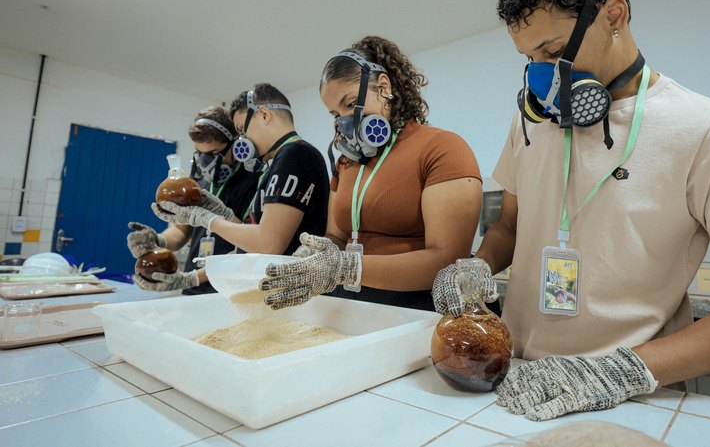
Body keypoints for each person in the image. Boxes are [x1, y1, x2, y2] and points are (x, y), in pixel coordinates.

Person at [431, 0, 710, 422]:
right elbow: (511, 226)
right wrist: (480, 265)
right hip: (519, 384)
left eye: (552, 51)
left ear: (614, 14)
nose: (541, 75)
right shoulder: (530, 122)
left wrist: (615, 372)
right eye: (529, 59)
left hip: (634, 401)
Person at [257, 36, 483, 311]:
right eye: (334, 113)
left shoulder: (442, 148)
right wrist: (313, 258)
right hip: (350, 309)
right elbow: (336, 236)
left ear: (383, 87)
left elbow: (447, 259)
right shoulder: (347, 163)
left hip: (414, 314)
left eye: (350, 104)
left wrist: (347, 268)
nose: (342, 121)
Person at [152, 83, 329, 257]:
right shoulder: (281, 160)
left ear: (264, 115)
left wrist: (207, 219)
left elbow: (268, 244)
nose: (242, 140)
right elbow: (256, 234)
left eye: (242, 130)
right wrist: (222, 213)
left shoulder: (294, 154)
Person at [127, 106, 259, 294]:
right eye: (200, 153)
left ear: (236, 146)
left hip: (229, 290)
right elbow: (180, 230)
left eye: (214, 153)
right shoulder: (197, 183)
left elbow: (250, 246)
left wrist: (194, 277)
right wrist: (159, 240)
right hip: (192, 290)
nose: (206, 163)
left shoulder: (252, 182)